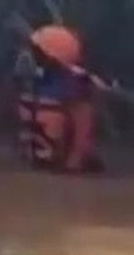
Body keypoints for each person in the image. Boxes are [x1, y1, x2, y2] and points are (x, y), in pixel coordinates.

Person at [16, 24, 102, 174]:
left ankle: (75, 160)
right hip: (39, 152)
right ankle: (44, 154)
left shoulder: (74, 82)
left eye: (38, 51)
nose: (31, 54)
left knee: (76, 113)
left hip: (59, 153)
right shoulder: (40, 75)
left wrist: (76, 159)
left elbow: (83, 127)